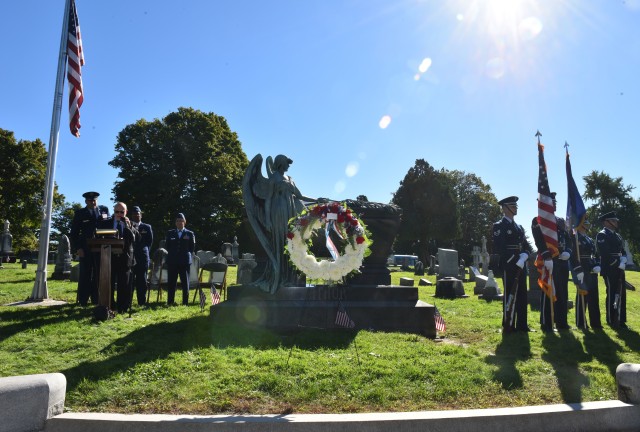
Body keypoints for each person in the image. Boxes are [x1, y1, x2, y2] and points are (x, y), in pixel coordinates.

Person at [243, 154, 316, 294]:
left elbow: (300, 196)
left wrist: (317, 199)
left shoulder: (290, 179)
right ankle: (280, 275)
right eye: (287, 163)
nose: (288, 165)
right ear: (281, 163)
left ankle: (290, 275)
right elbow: (268, 199)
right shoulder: (274, 178)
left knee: (291, 242)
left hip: (290, 212)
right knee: (281, 240)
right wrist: (268, 220)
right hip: (278, 212)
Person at [532, 192, 573, 332]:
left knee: (562, 292)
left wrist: (568, 251)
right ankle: (547, 323)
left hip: (562, 260)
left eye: (555, 202)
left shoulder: (561, 221)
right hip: (549, 260)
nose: (554, 205)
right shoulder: (538, 221)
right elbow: (539, 240)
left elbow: (568, 239)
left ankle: (562, 322)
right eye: (552, 203)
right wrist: (546, 257)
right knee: (548, 291)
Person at [492, 196, 533, 333]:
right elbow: (500, 248)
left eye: (516, 206)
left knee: (522, 295)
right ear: (504, 208)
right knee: (510, 294)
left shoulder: (519, 227)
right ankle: (508, 324)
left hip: (521, 265)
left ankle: (522, 325)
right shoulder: (499, 226)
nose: (515, 208)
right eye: (512, 206)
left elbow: (527, 246)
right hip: (509, 266)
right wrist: (516, 260)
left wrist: (525, 255)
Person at [69, 191, 110, 306]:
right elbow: (74, 233)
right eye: (90, 200)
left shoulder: (104, 210)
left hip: (101, 247)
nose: (93, 202)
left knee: (98, 274)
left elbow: (108, 225)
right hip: (85, 248)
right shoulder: (80, 213)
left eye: (94, 200)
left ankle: (96, 299)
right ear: (86, 201)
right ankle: (83, 300)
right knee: (85, 274)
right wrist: (78, 248)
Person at [97, 202, 139, 313]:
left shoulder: (131, 224)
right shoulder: (105, 223)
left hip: (126, 258)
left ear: (126, 212)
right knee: (109, 283)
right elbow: (98, 237)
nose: (119, 214)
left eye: (122, 212)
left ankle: (123, 307)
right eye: (117, 211)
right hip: (109, 258)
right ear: (113, 211)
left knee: (124, 284)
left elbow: (138, 238)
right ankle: (109, 306)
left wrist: (129, 226)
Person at [596, 211, 628, 328]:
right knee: (612, 293)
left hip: (620, 267)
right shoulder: (602, 234)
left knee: (621, 293)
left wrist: (624, 258)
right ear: (606, 222)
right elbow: (605, 254)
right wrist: (617, 263)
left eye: (615, 220)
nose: (616, 222)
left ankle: (621, 319)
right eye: (613, 220)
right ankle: (611, 319)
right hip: (610, 268)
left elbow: (622, 250)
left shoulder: (617, 235)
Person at [569, 220, 602, 329]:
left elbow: (596, 254)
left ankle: (596, 323)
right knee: (582, 297)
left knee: (593, 298)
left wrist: (597, 264)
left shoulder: (590, 239)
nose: (588, 224)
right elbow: (573, 256)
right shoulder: (574, 238)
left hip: (592, 270)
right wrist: (577, 270)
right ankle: (581, 323)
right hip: (582, 269)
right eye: (585, 223)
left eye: (588, 222)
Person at [165, 212, 195, 305]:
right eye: (178, 221)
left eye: (181, 221)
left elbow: (192, 247)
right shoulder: (170, 233)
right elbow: (167, 246)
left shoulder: (190, 233)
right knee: (171, 283)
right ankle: (170, 302)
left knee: (185, 283)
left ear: (184, 222)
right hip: (172, 261)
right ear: (175, 222)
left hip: (184, 262)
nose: (179, 222)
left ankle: (185, 302)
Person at [130, 206, 153, 306]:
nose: (136, 216)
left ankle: (141, 303)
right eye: (134, 214)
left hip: (142, 258)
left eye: (138, 214)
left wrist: (144, 252)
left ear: (141, 215)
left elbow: (149, 242)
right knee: (129, 281)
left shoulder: (147, 227)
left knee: (142, 281)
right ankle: (128, 302)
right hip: (130, 257)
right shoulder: (128, 226)